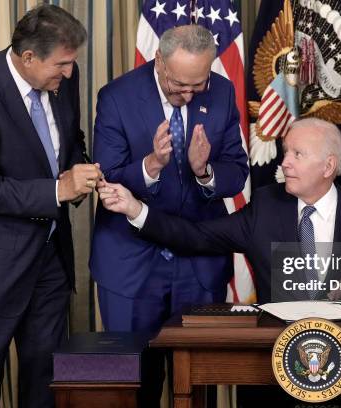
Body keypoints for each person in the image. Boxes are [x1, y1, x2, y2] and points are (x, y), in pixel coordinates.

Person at [98, 117, 341, 407]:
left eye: (298, 154)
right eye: (285, 152)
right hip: (277, 362)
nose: (284, 163)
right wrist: (136, 209)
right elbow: (196, 235)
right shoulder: (267, 207)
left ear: (328, 166)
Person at [0, 5, 101, 407]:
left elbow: (70, 137)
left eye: (71, 63)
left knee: (44, 381)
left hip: (49, 260)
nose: (68, 72)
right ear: (28, 57)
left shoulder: (66, 75)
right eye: (61, 64)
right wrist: (57, 191)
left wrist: (79, 167)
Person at [89, 25, 248, 406]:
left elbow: (238, 170)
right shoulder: (117, 97)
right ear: (158, 61)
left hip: (199, 261)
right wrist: (150, 165)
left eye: (198, 84)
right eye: (179, 84)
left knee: (197, 383)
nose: (189, 93)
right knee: (135, 382)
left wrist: (205, 171)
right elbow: (106, 178)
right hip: (132, 261)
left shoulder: (223, 93)